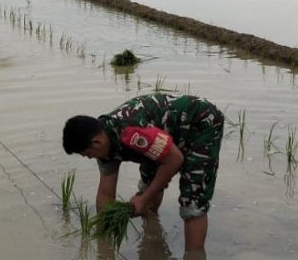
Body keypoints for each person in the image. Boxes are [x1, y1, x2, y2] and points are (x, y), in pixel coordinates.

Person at [62, 94, 224, 254]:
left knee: (193, 201)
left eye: (88, 154)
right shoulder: (103, 145)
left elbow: (175, 159)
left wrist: (144, 198)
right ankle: (153, 239)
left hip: (200, 123)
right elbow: (105, 194)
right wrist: (103, 245)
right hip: (162, 136)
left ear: (97, 142)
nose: (90, 157)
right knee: (149, 183)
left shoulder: (131, 133)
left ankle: (194, 254)